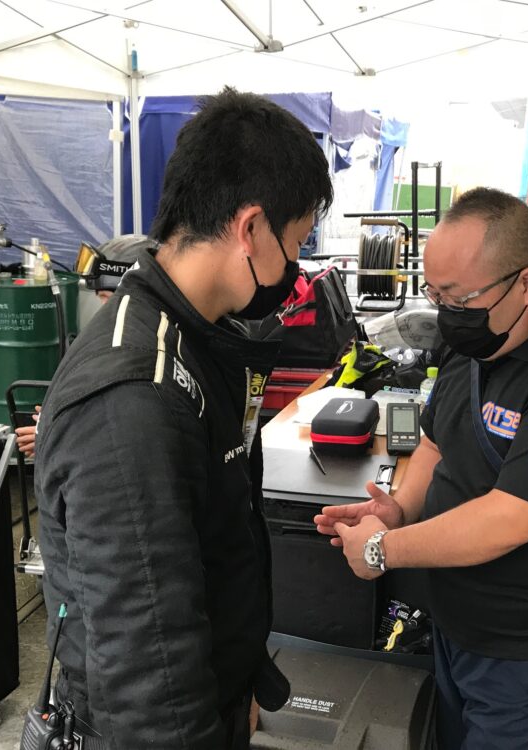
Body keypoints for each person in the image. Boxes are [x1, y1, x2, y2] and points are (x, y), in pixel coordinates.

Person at [34, 87, 332, 749]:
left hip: (216, 692)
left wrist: (241, 680)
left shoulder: (199, 336)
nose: (296, 266)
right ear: (250, 228)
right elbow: (147, 672)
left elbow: (214, 538)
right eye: (295, 242)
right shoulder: (133, 398)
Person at [315, 187, 528, 749]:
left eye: (459, 298)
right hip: (458, 632)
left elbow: (508, 520)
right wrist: (400, 509)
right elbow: (436, 444)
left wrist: (382, 550)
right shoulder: (476, 346)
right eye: (436, 294)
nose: (448, 314)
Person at [14, 236, 145, 458]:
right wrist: (60, 416)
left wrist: (56, 437)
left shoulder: (141, 352)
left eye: (106, 298)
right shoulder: (131, 339)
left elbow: (129, 433)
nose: (102, 309)